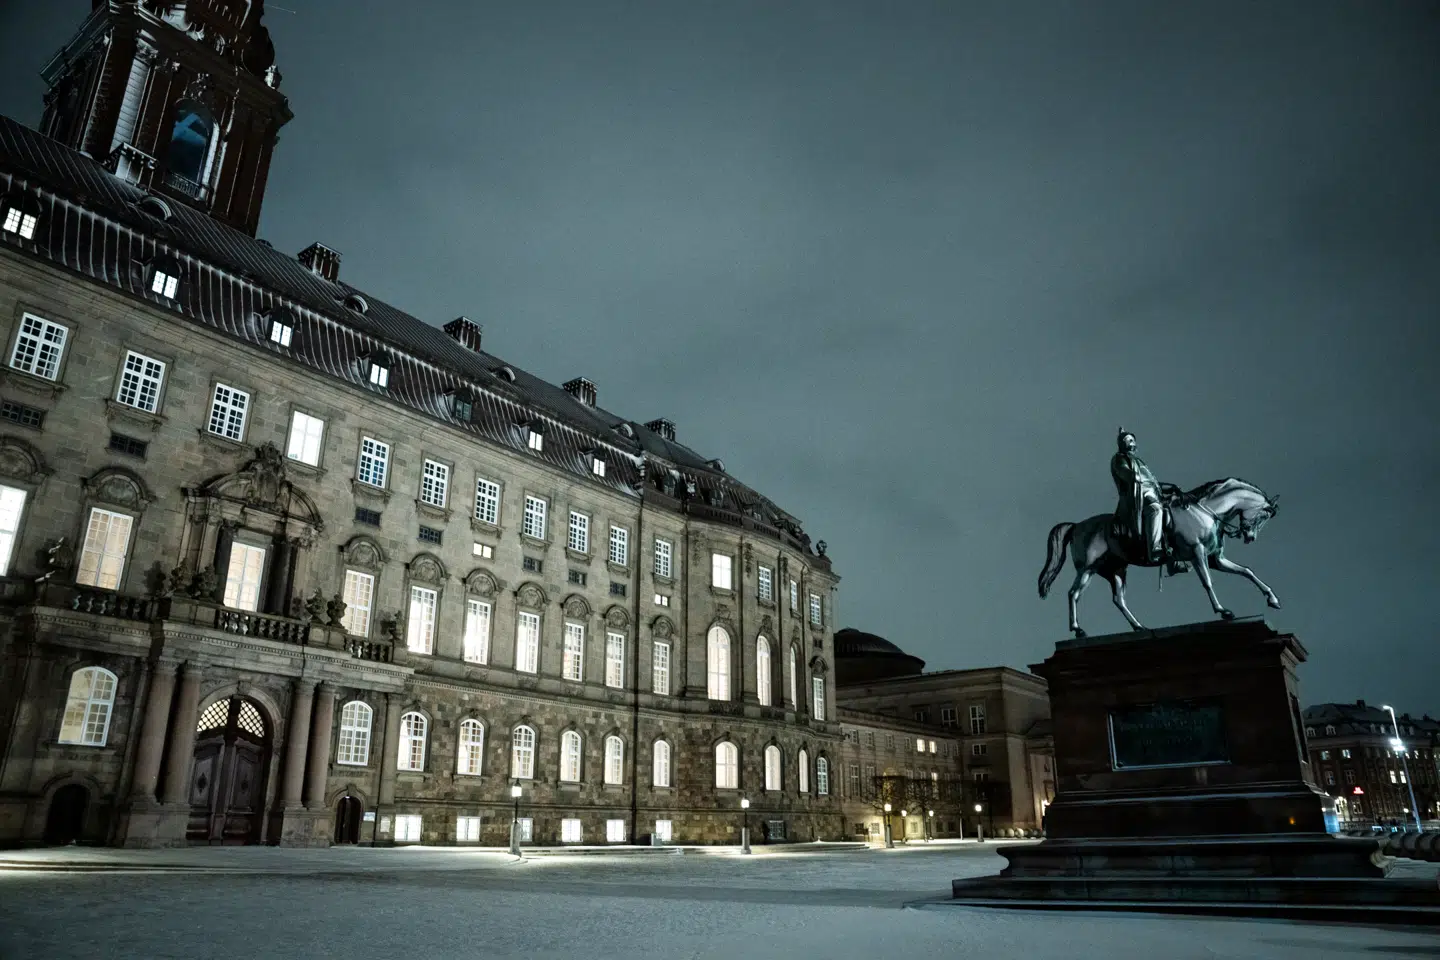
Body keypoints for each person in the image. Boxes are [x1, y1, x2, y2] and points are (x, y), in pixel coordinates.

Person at [1111, 428, 1165, 564]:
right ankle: (1154, 549)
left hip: (1151, 493)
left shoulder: (1139, 461)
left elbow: (1151, 480)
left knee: (1171, 511)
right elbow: (1124, 472)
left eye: (1132, 440)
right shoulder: (1119, 458)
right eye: (1128, 440)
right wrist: (1133, 475)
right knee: (1155, 509)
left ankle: (1173, 557)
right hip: (1136, 495)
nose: (1132, 443)